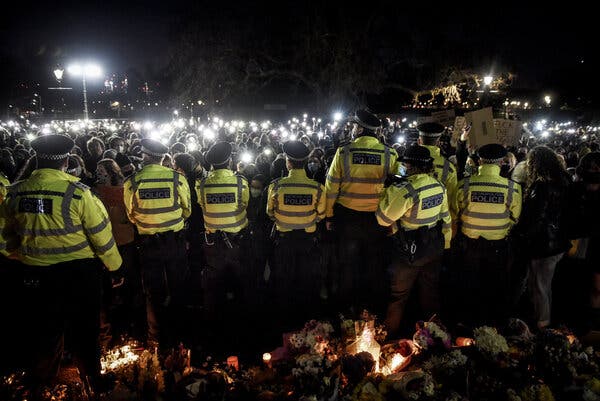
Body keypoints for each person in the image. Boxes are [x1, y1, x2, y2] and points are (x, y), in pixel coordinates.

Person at [0, 134, 122, 393]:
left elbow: (3, 238)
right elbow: (102, 235)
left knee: (44, 331)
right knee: (85, 331)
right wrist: (115, 267)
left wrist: (22, 256)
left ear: (36, 160)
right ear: (65, 162)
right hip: (78, 275)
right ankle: (92, 380)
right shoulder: (78, 194)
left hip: (34, 275)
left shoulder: (15, 193)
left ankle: (41, 384)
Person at [325, 109, 399, 316]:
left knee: (347, 266)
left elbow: (331, 188)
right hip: (377, 221)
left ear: (358, 129)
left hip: (348, 219)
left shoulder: (344, 152)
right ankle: (371, 312)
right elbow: (396, 189)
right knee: (373, 266)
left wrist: (329, 216)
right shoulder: (390, 154)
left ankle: (345, 312)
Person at [376, 145, 451, 337]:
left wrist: (386, 193)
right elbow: (446, 218)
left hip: (408, 252)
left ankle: (388, 339)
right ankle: (437, 338)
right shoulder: (438, 186)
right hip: (433, 250)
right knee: (430, 296)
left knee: (398, 297)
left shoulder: (407, 189)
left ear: (410, 165)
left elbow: (383, 219)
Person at [123, 138, 192, 349]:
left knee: (153, 292)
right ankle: (180, 334)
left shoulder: (132, 182)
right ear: (163, 158)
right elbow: (187, 209)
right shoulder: (177, 179)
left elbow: (131, 215)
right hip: (174, 241)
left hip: (148, 243)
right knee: (178, 286)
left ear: (144, 157)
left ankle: (156, 337)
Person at [452, 143, 522, 326]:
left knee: (468, 285)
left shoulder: (464, 185)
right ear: (501, 162)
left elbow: (454, 215)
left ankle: (466, 323)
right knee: (494, 286)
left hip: (469, 246)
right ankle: (492, 325)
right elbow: (515, 218)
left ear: (479, 161)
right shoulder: (512, 188)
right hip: (497, 247)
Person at [267, 141, 326, 329]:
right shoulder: (317, 188)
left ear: (288, 162)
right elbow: (322, 214)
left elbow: (270, 212)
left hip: (284, 242)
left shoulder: (276, 186)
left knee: (284, 281)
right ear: (307, 161)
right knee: (306, 281)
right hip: (308, 242)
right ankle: (306, 322)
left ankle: (285, 322)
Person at [196, 141, 249, 347]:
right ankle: (241, 326)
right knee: (240, 283)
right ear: (229, 161)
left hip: (213, 243)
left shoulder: (203, 184)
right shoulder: (240, 182)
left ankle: (213, 331)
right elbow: (244, 204)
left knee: (212, 288)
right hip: (236, 242)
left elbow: (202, 204)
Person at [513, 146, 572, 330]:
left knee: (538, 286)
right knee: (545, 285)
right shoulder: (565, 181)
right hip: (558, 243)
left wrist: (520, 235)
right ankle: (543, 319)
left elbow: (534, 219)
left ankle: (542, 325)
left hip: (543, 245)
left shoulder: (541, 186)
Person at [95, 158, 144, 339]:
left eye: (103, 172)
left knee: (128, 279)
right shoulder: (94, 192)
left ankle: (131, 317)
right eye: (98, 172)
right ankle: (113, 320)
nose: (99, 175)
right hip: (105, 242)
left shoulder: (124, 189)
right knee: (108, 285)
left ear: (112, 172)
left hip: (125, 240)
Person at [417, 123, 458, 220]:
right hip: (437, 217)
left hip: (411, 218)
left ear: (419, 141)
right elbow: (452, 197)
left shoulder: (407, 162)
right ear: (438, 142)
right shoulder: (449, 167)